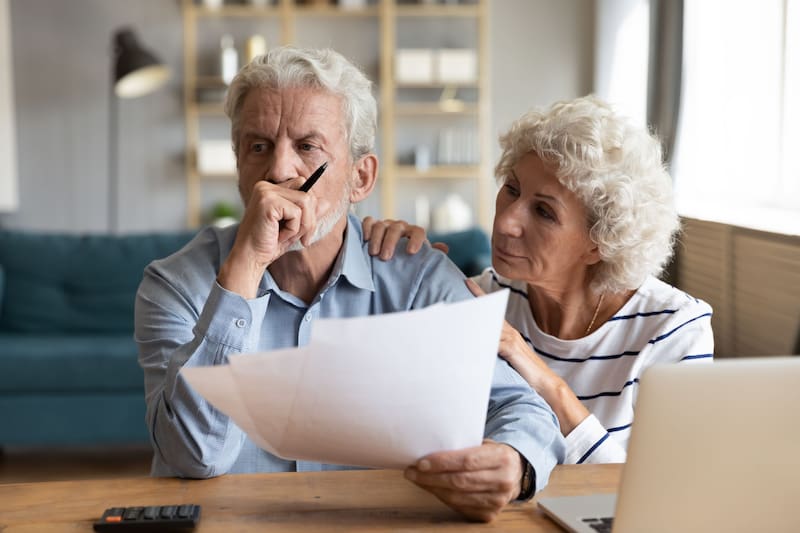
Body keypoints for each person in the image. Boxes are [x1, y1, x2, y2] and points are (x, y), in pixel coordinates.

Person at [134, 46, 564, 523]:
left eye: (307, 147)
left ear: (360, 178)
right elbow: (196, 456)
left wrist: (513, 462)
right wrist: (247, 267)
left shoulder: (418, 279)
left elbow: (522, 408)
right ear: (238, 165)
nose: (279, 171)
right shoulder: (173, 285)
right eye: (258, 146)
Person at [363, 95, 714, 464]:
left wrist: (540, 374)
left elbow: (661, 490)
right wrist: (396, 271)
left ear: (599, 243)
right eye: (512, 189)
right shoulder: (485, 295)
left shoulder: (675, 329)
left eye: (544, 212)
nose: (506, 222)